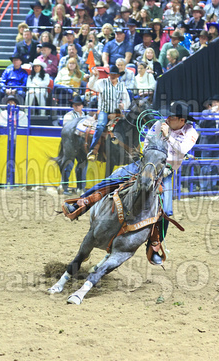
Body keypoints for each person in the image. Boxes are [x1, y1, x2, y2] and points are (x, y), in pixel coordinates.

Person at [62, 101, 199, 265]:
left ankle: (155, 245)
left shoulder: (191, 133)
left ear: (182, 121)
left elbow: (183, 149)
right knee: (114, 178)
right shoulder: (158, 124)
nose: (167, 118)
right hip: (147, 165)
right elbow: (147, 144)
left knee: (167, 211)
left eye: (172, 117)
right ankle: (81, 203)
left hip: (165, 172)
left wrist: (168, 135)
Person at [86, 65, 130, 160]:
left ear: (118, 75)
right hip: (104, 111)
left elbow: (127, 99)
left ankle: (127, 149)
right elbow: (90, 86)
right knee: (101, 125)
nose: (112, 76)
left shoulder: (122, 85)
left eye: (114, 75)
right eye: (111, 74)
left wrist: (124, 105)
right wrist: (95, 77)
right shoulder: (102, 82)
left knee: (127, 125)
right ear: (108, 75)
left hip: (116, 112)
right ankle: (93, 149)